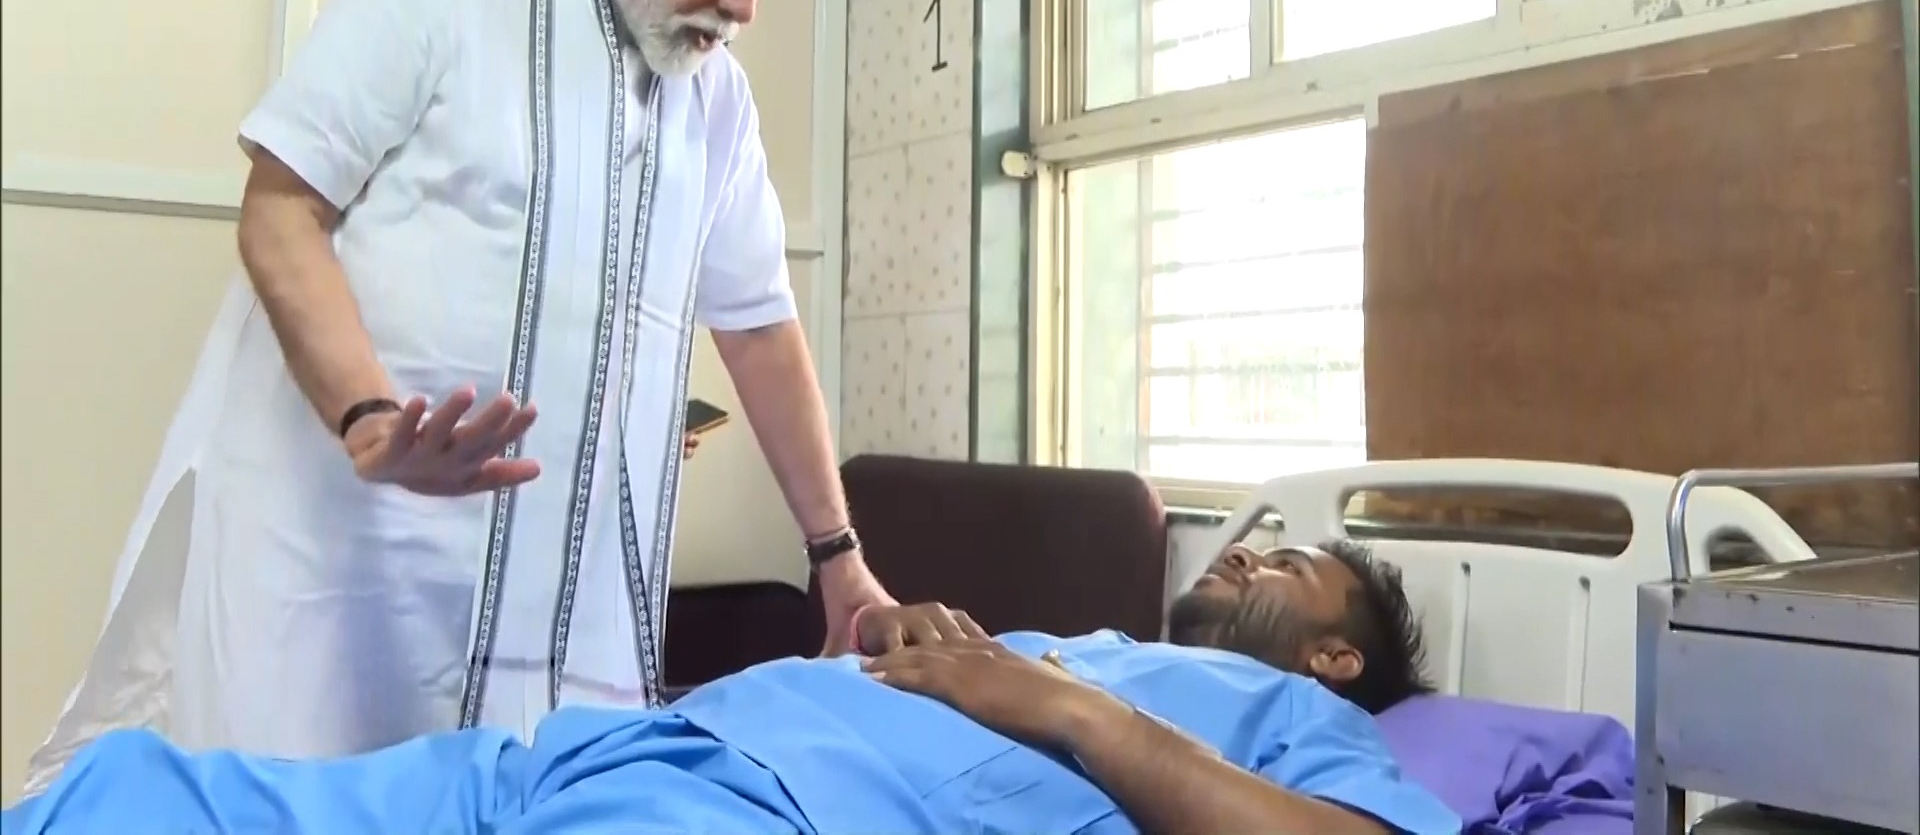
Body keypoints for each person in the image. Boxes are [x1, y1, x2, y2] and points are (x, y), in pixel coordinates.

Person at [22, 0, 893, 793]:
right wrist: (366, 415)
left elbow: (761, 326)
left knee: (550, 799)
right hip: (348, 553)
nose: (742, 8)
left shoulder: (717, 103)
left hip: (574, 594)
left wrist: (837, 555)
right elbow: (280, 206)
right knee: (324, 798)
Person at [4, 540, 1461, 835]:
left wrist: (1071, 713)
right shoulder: (1082, 640)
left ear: (1335, 656)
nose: (1248, 549)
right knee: (139, 798)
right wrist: (915, 647)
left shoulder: (1302, 723)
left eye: (1294, 564)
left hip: (765, 816)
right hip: (620, 751)